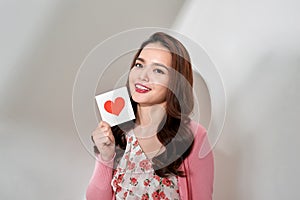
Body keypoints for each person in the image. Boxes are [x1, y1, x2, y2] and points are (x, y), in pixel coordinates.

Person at [86, 32, 214, 200]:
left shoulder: (195, 136)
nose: (142, 76)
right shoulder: (116, 132)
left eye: (158, 70)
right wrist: (105, 157)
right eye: (139, 65)